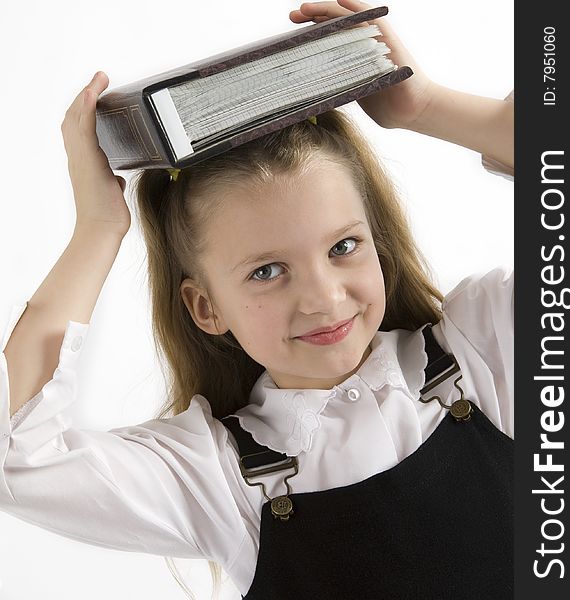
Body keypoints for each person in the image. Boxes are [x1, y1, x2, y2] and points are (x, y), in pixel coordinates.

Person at [0, 0, 513, 598]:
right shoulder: (217, 479)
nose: (323, 298)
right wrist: (97, 228)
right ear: (204, 307)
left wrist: (426, 106)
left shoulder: (485, 350)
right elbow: (18, 457)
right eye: (268, 271)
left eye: (344, 246)